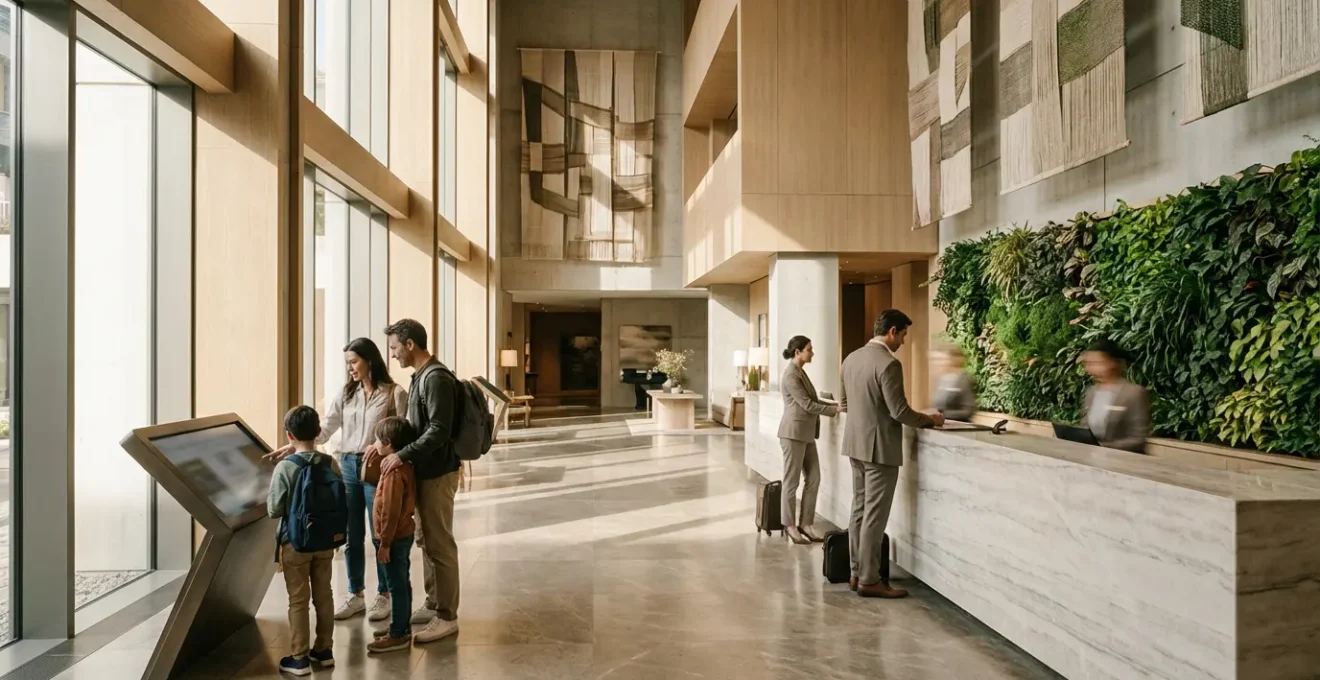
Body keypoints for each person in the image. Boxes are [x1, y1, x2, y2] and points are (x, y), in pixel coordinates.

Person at [268, 338, 407, 623]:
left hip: (376, 468)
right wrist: (295, 445)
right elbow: (325, 429)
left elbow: (403, 432)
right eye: (347, 363)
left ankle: (384, 594)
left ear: (370, 360)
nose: (350, 368)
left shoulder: (394, 393)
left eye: (354, 362)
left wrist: (381, 445)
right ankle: (356, 594)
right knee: (350, 536)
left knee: (380, 533)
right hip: (347, 467)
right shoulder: (345, 394)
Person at [839, 309, 943, 599]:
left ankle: (855, 572)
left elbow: (845, 404)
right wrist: (931, 420)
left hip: (855, 445)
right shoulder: (889, 364)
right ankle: (870, 580)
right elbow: (899, 412)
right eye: (904, 335)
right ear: (892, 331)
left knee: (859, 510)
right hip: (880, 449)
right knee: (874, 516)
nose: (904, 342)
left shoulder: (850, 359)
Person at [371, 319, 462, 643]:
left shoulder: (435, 378)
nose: (393, 354)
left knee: (440, 545)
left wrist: (401, 454)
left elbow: (439, 430)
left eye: (395, 347)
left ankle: (447, 616)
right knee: (426, 541)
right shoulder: (421, 376)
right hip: (426, 472)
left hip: (437, 474)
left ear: (410, 344)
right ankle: (435, 602)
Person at [269, 406, 341, 676]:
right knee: (324, 594)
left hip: (295, 542)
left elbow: (274, 509)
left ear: (289, 435)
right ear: (319, 431)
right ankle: (324, 650)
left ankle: (298, 658)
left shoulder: (285, 467)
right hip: (325, 541)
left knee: (298, 600)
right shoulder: (330, 463)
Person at [777, 335, 840, 545]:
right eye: (809, 349)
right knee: (791, 482)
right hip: (793, 433)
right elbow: (807, 405)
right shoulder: (791, 376)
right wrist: (833, 410)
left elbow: (813, 399)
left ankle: (806, 524)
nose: (812, 353)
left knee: (814, 478)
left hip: (806, 434)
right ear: (798, 352)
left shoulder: (800, 372)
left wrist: (835, 405)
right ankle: (789, 526)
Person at [366, 417, 419, 654]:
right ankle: (400, 626)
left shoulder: (393, 472)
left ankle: (398, 634)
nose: (375, 443)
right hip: (401, 534)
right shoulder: (402, 465)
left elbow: (390, 510)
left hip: (393, 538)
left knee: (396, 585)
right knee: (401, 582)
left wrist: (384, 543)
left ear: (388, 443)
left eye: (378, 439)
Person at [1081, 338, 1151, 454]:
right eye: (1088, 363)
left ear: (1112, 363)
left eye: (1096, 363)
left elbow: (1138, 439)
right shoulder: (1091, 393)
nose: (1089, 368)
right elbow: (1085, 428)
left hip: (1124, 460)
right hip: (1093, 458)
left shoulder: (1134, 393)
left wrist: (1102, 447)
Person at [932, 345, 976, 422]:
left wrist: (944, 415)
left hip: (959, 425)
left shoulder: (964, 380)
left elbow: (969, 410)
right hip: (943, 425)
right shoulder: (942, 379)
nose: (938, 363)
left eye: (941, 359)